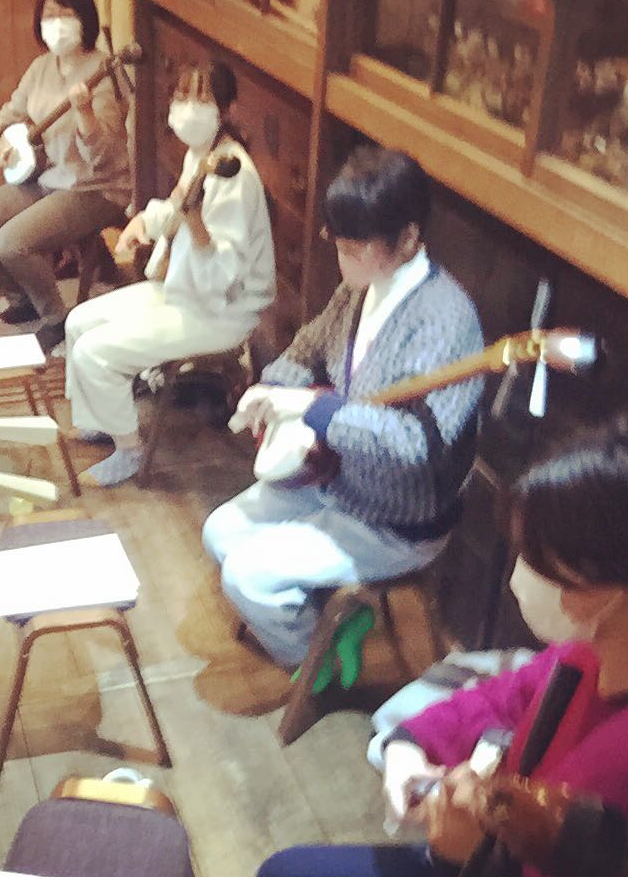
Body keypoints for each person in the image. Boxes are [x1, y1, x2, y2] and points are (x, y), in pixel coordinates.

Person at [255, 416, 628, 877]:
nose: (520, 575)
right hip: (493, 863)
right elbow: (503, 696)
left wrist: (458, 860)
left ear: (606, 591)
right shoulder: (599, 655)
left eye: (536, 560)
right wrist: (411, 744)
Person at [202, 146, 483, 666]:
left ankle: (317, 662)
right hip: (336, 479)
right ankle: (326, 615)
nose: (343, 259)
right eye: (339, 244)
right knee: (220, 531)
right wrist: (271, 389)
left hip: (396, 518)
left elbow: (415, 445)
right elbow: (310, 347)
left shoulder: (446, 321)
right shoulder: (361, 288)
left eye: (356, 247)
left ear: (408, 238)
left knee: (247, 575)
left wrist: (312, 407)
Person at [64, 61, 276, 486]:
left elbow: (223, 274)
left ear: (227, 110)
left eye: (202, 99)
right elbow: (178, 207)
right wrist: (146, 221)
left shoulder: (235, 177)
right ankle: (103, 421)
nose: (188, 109)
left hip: (220, 309)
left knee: (94, 351)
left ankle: (129, 451)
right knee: (79, 321)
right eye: (181, 97)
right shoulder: (203, 155)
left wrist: (194, 226)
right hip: (184, 289)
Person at [0, 0, 130, 352]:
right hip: (47, 177)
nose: (56, 24)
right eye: (48, 16)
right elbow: (10, 112)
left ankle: (55, 317)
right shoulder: (41, 68)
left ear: (84, 20)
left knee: (12, 242)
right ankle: (21, 298)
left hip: (94, 187)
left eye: (65, 15)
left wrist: (85, 113)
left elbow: (103, 155)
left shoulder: (103, 72)